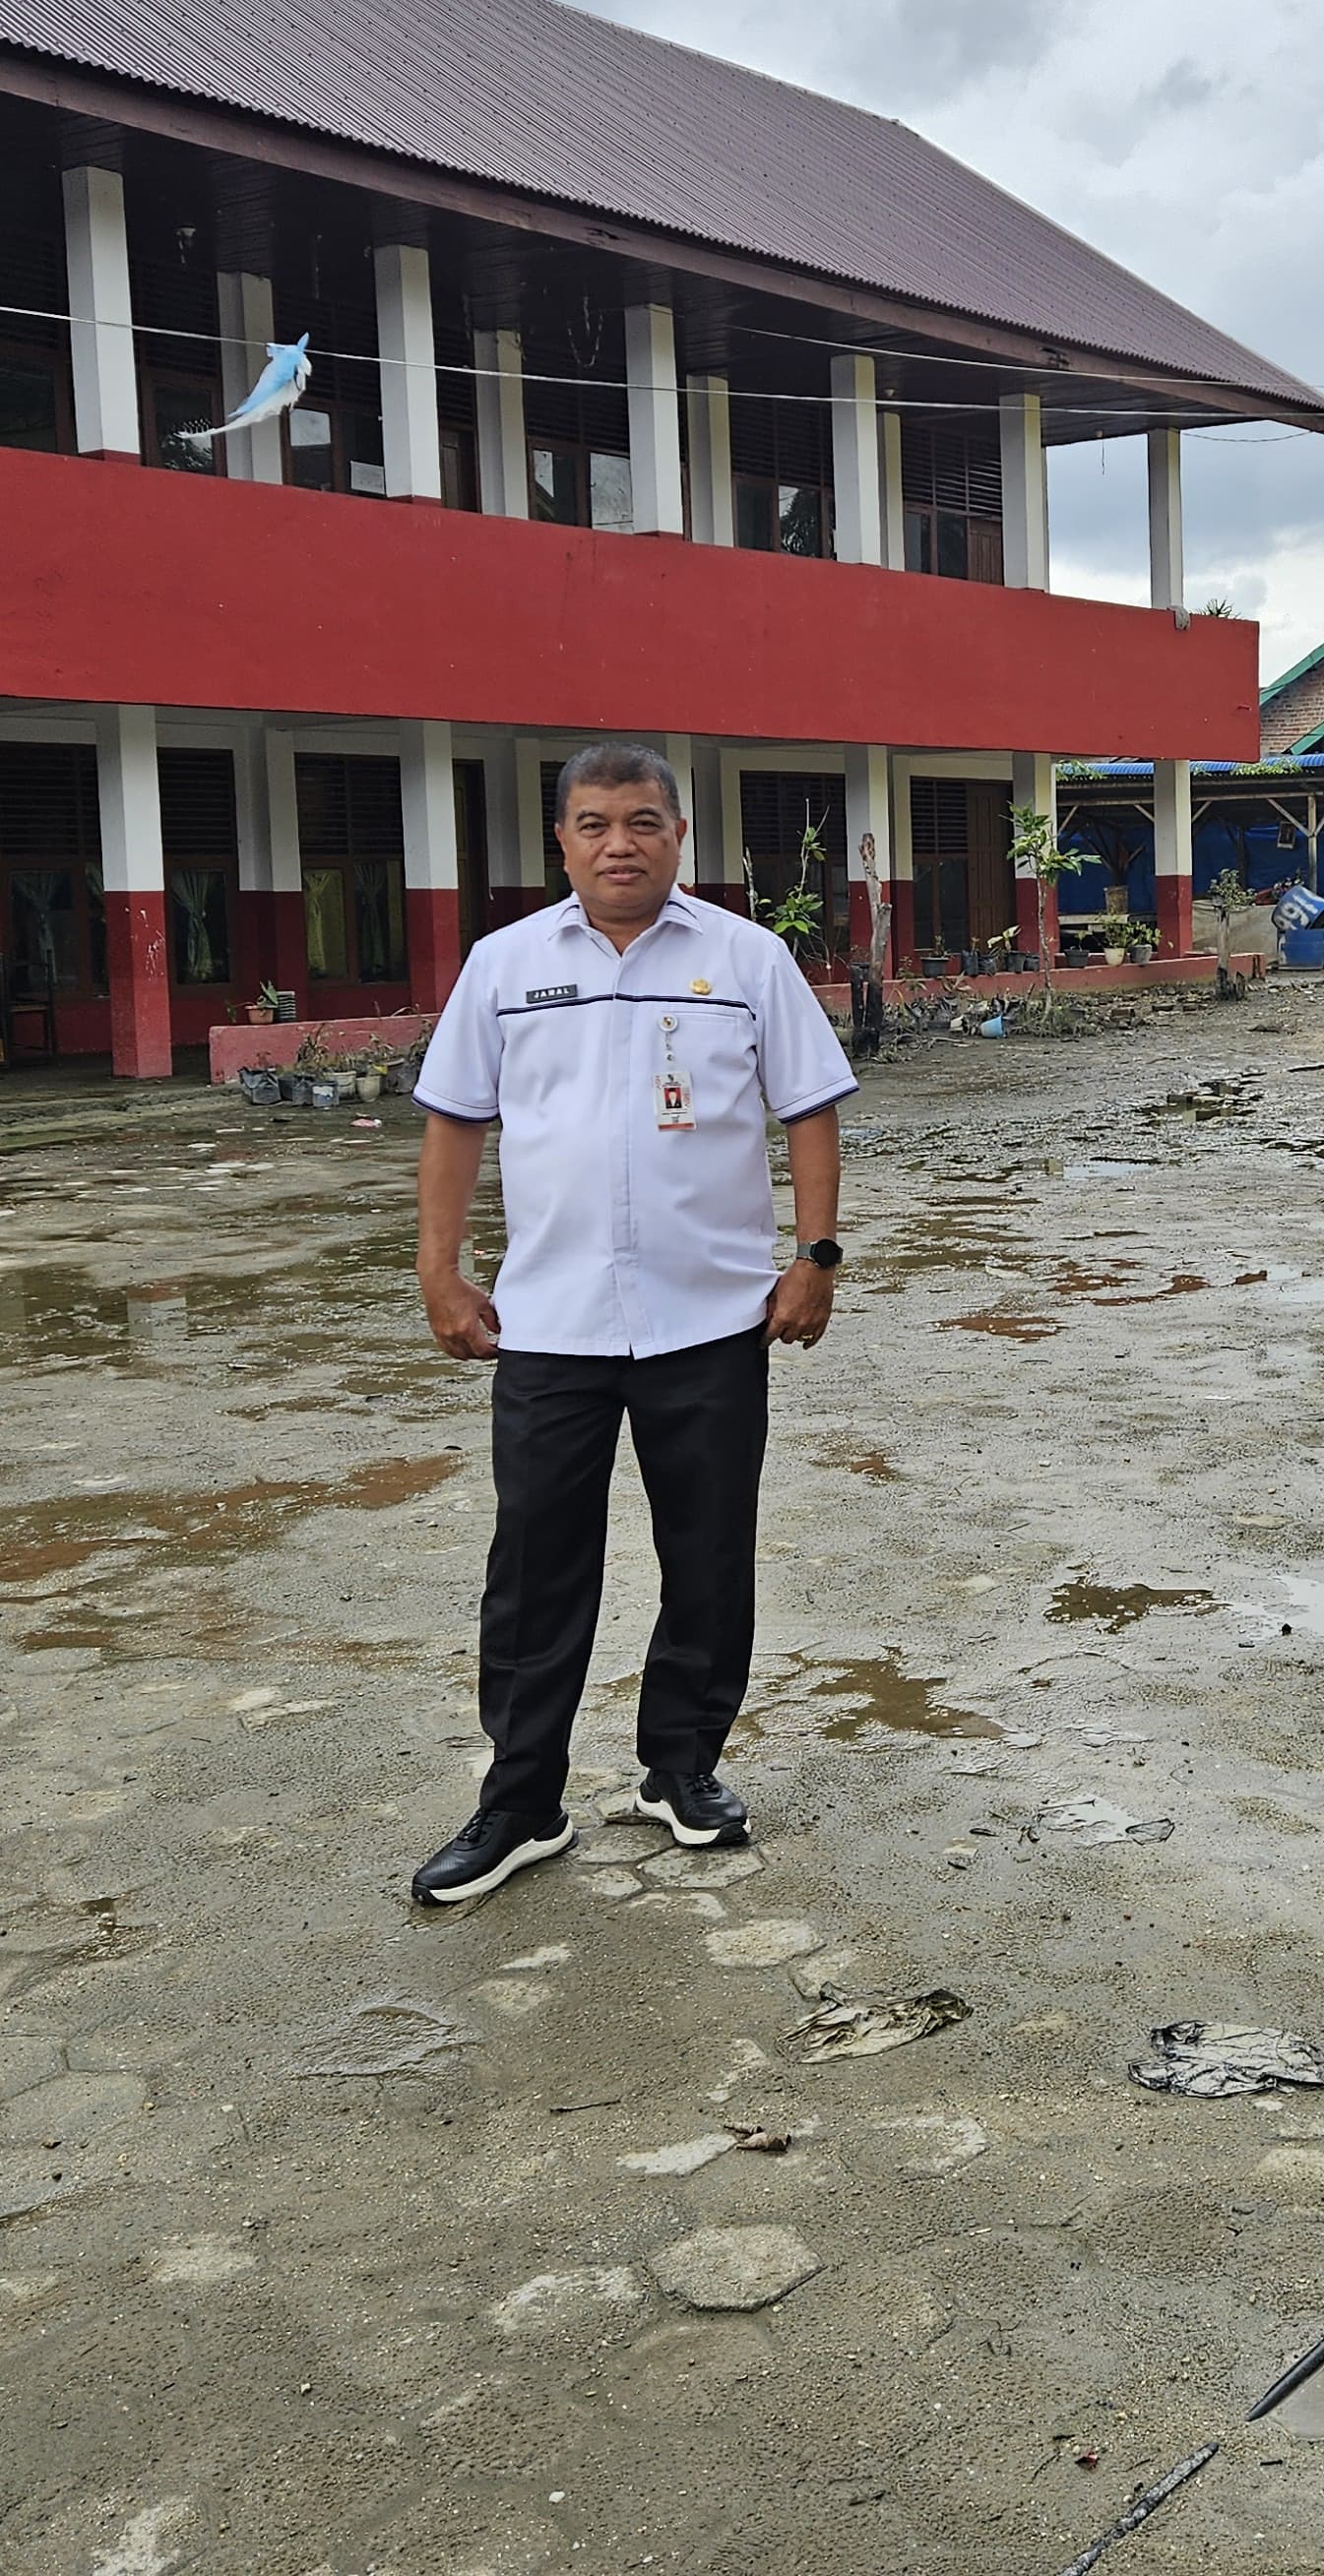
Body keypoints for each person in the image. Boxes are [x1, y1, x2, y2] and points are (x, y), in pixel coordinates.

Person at [403, 742, 856, 1906]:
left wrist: (814, 1256)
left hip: (710, 1318)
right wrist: (439, 1270)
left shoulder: (745, 959)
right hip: (549, 1322)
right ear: (561, 840)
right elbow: (454, 1121)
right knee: (533, 1567)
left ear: (677, 836)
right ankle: (521, 1803)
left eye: (643, 822)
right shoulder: (506, 964)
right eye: (595, 824)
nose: (620, 844)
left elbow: (808, 1106)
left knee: (707, 1554)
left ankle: (681, 1767)